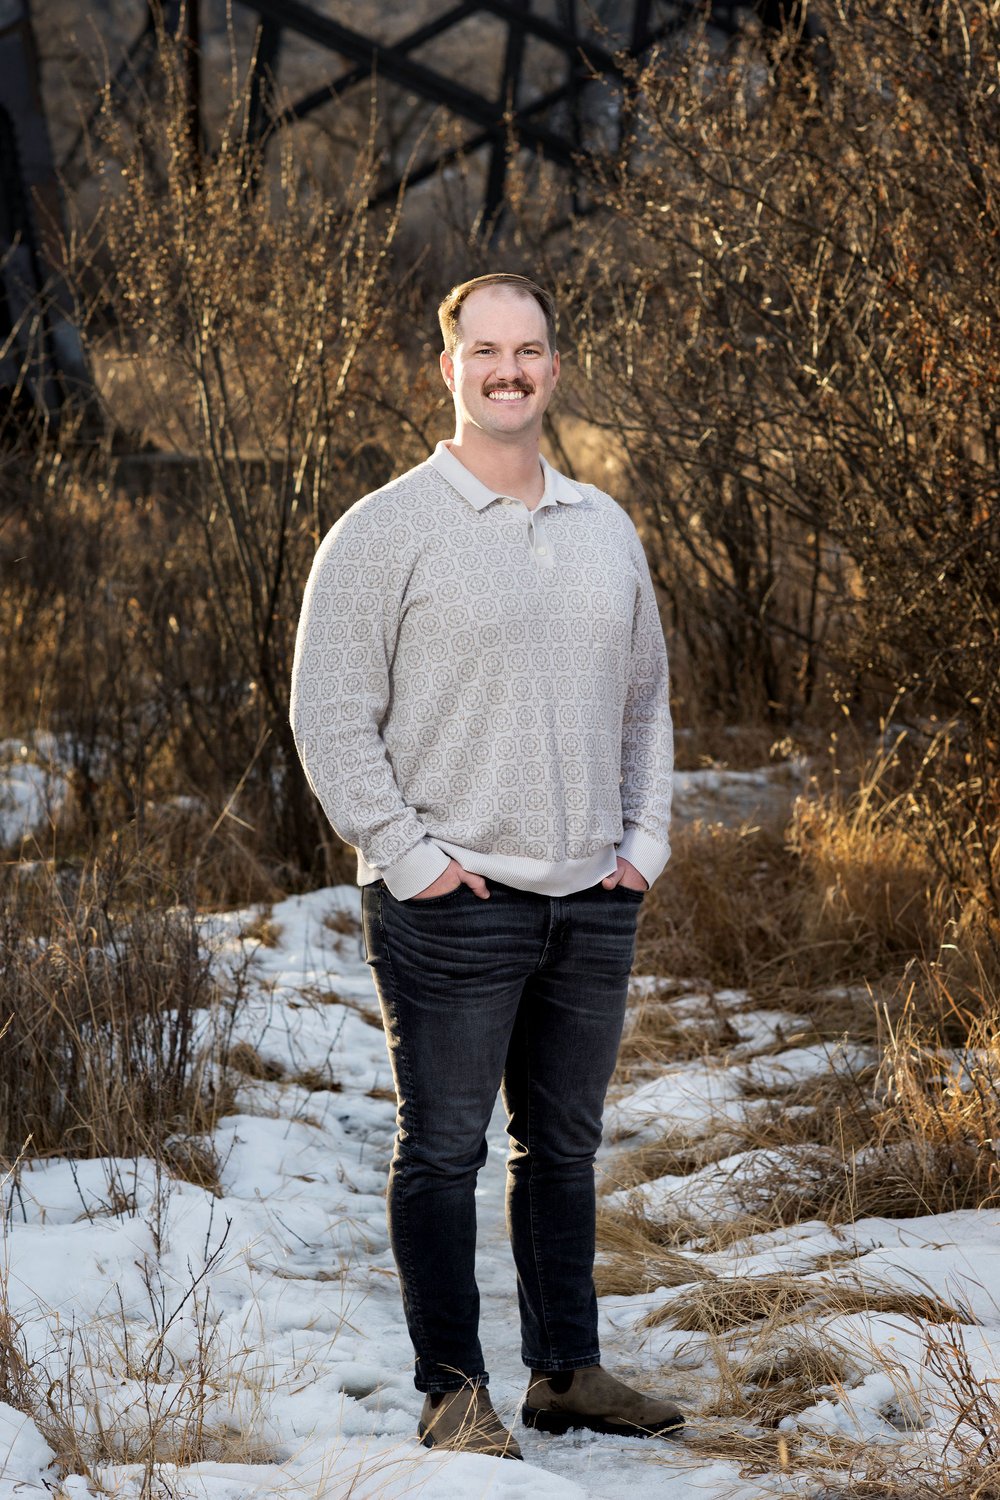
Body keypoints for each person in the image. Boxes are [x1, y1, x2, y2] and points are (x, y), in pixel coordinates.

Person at [290, 273, 683, 1459]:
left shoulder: (603, 525)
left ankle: (566, 1372)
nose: (507, 370)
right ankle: (453, 1392)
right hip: (450, 901)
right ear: (448, 368)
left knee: (562, 1147)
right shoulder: (383, 530)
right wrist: (410, 859)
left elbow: (645, 704)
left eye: (528, 351)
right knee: (442, 1150)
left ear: (553, 369)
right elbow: (328, 718)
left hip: (591, 896)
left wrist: (642, 845)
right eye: (484, 350)